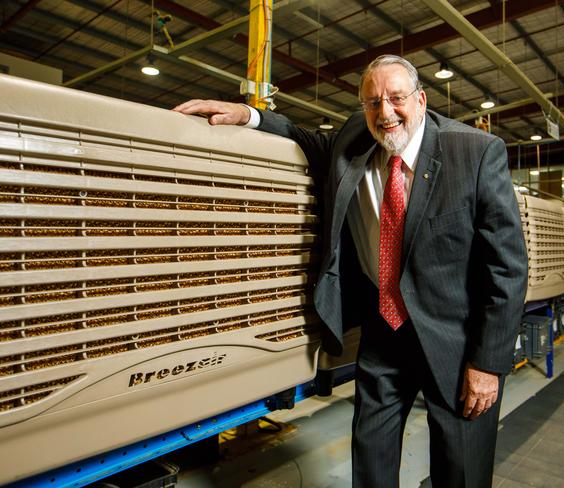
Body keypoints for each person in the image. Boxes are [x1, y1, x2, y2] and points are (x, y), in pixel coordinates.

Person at [173, 54, 528, 488]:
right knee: (371, 460)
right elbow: (308, 139)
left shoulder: (473, 152)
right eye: (372, 102)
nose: (385, 112)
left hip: (457, 342)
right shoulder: (356, 140)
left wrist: (488, 364)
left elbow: (507, 268)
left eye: (396, 98)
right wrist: (248, 115)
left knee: (462, 472)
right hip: (385, 334)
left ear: (420, 99)